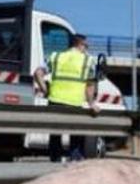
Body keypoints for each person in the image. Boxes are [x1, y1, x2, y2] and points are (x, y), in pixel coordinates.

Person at [32, 33, 99, 162]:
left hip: (54, 102)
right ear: (80, 44)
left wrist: (44, 89)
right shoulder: (87, 61)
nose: (87, 49)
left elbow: (37, 73)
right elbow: (90, 86)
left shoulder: (56, 57)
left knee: (55, 135)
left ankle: (54, 163)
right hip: (74, 104)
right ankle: (73, 163)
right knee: (76, 137)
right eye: (86, 46)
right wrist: (91, 104)